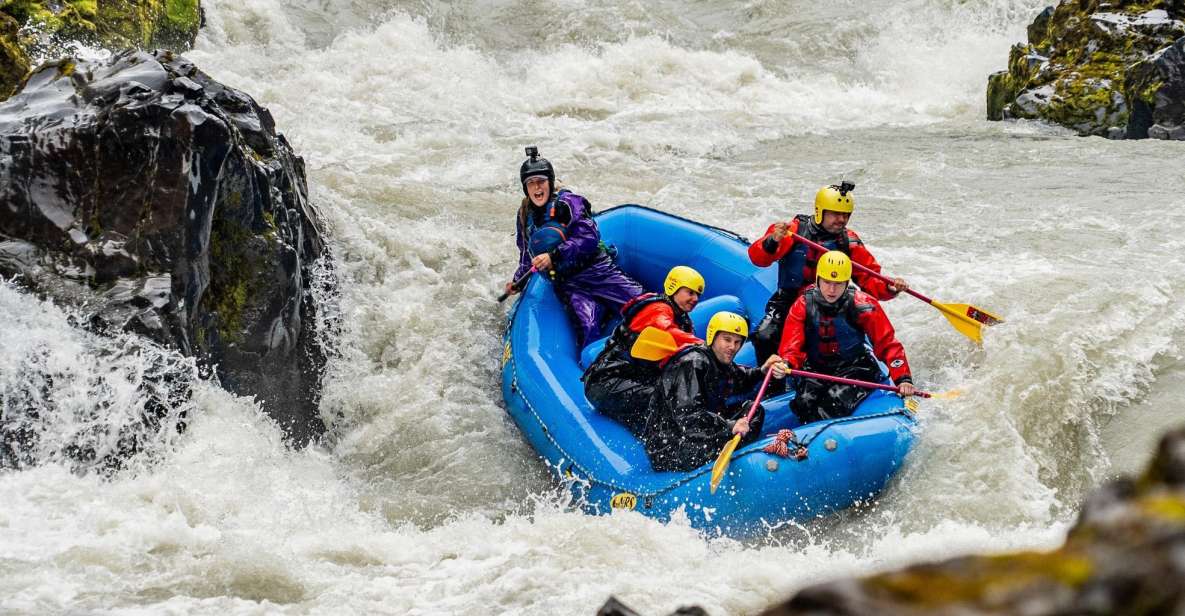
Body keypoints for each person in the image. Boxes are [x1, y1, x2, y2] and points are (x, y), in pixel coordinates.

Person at [747, 181, 909, 363]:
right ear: (819, 212)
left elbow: (871, 279)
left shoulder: (849, 242)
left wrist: (891, 287)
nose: (841, 219)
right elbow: (758, 258)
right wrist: (773, 240)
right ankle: (773, 384)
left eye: (846, 215)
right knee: (764, 336)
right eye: (836, 214)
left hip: (832, 304)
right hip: (789, 300)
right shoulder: (793, 230)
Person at [504, 146, 643, 345]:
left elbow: (588, 237)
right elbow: (527, 255)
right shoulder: (525, 215)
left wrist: (554, 256)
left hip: (597, 270)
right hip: (568, 284)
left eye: (541, 181)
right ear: (525, 188)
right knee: (588, 329)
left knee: (643, 306)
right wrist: (518, 281)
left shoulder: (569, 203)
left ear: (550, 183)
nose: (537, 188)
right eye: (531, 183)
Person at [778, 251, 915, 424]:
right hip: (816, 367)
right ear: (818, 279)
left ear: (847, 282)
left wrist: (903, 379)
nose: (832, 289)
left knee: (829, 405)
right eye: (827, 282)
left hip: (856, 369)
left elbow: (887, 343)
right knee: (804, 403)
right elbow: (791, 345)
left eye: (838, 283)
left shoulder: (864, 305)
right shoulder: (802, 305)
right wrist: (786, 363)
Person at [642, 311, 788, 472]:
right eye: (727, 339)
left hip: (699, 428)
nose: (733, 347)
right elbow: (688, 416)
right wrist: (729, 426)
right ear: (713, 337)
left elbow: (740, 379)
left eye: (738, 342)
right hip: (671, 443)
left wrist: (762, 370)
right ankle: (734, 464)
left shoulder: (718, 360)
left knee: (753, 410)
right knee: (719, 432)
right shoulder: (692, 363)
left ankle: (737, 453)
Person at [581, 266, 705, 435]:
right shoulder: (657, 309)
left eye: (698, 295)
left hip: (632, 383)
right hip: (605, 382)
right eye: (690, 292)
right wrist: (706, 348)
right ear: (674, 287)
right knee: (667, 403)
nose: (695, 298)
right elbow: (666, 331)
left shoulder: (683, 321)